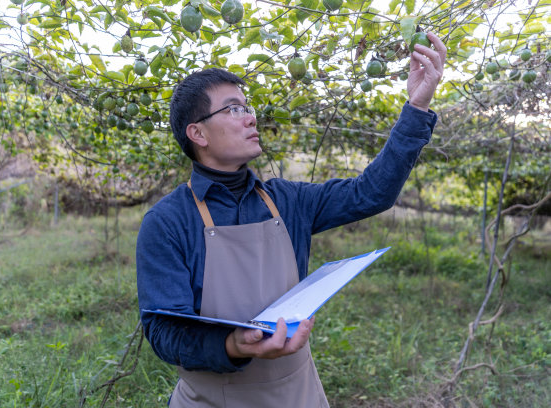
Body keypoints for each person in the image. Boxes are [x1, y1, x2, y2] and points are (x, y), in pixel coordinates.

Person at [136, 32, 446, 407]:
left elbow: (371, 194)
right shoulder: (168, 222)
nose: (251, 117)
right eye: (233, 109)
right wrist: (233, 344)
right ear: (197, 133)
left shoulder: (287, 201)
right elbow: (164, 331)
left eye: (248, 107)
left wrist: (416, 106)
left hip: (297, 395)